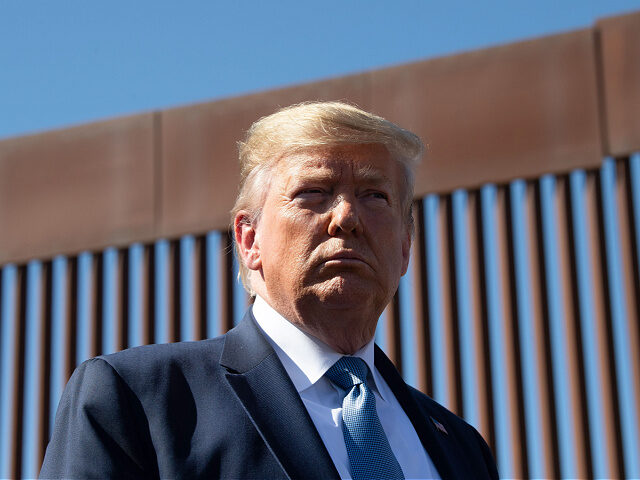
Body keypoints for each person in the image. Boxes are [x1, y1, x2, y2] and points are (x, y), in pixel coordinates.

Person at [40, 101, 499, 479]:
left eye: (374, 196)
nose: (347, 217)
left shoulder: (462, 448)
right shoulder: (141, 400)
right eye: (314, 193)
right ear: (249, 239)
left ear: (405, 247)